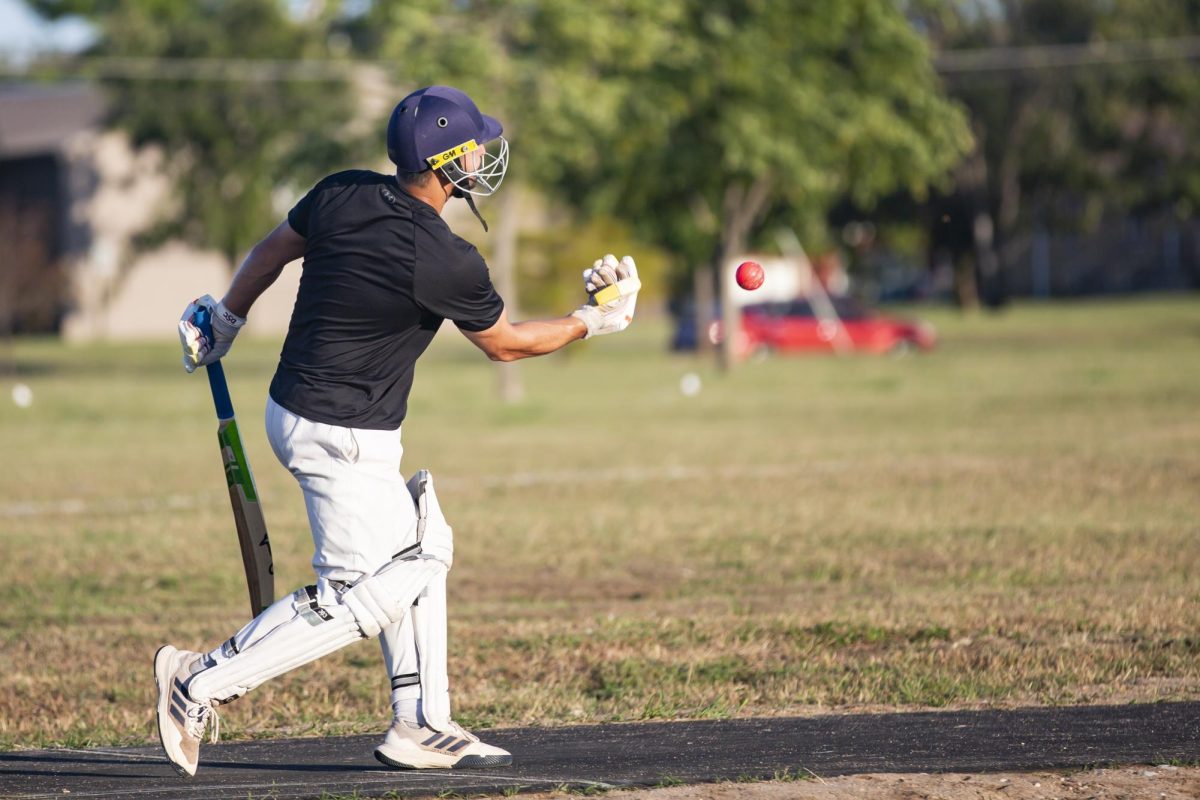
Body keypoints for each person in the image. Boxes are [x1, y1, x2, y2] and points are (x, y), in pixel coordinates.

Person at [159, 85, 640, 778]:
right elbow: (504, 344)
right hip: (340, 435)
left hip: (304, 412)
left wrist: (224, 318)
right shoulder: (442, 257)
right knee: (357, 596)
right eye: (474, 145)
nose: (483, 154)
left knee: (422, 551)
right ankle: (196, 681)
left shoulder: (341, 193)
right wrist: (593, 321)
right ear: (448, 162)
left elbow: (270, 252)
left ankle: (422, 724)